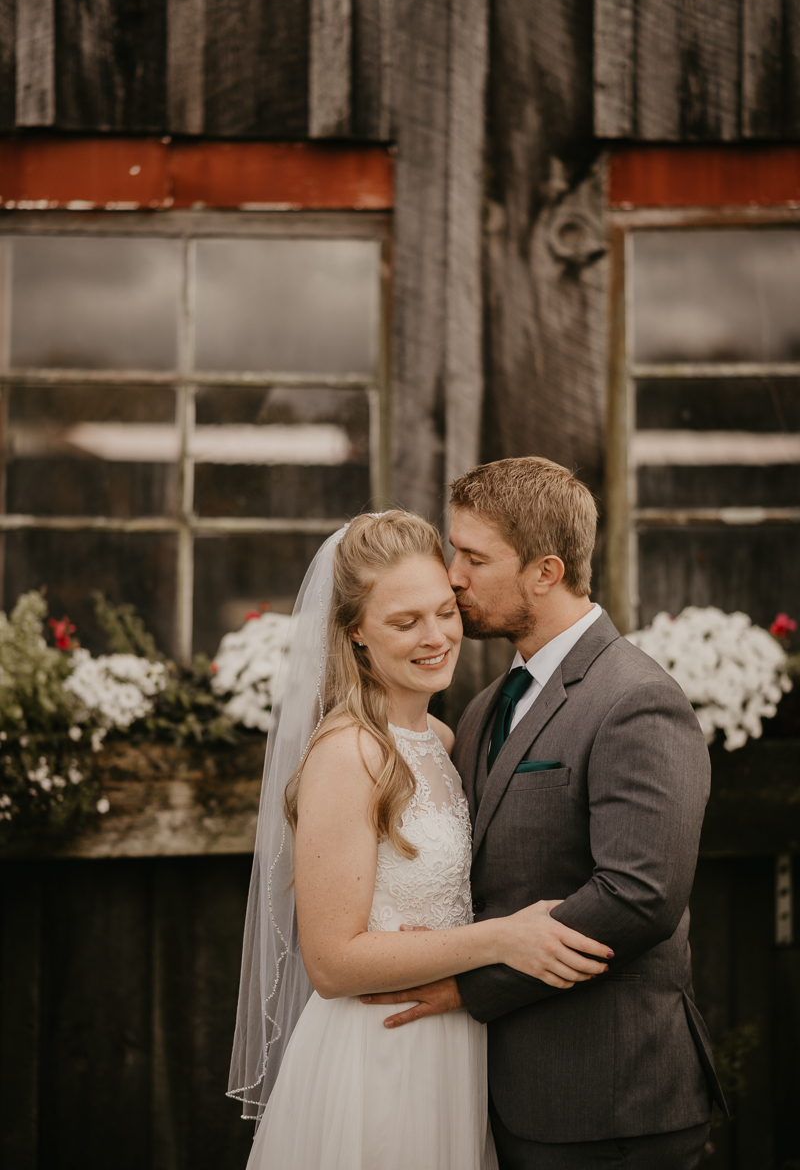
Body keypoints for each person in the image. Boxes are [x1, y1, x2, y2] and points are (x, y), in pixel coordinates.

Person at [361, 458, 726, 1170]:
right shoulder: (482, 705)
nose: (453, 575)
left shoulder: (636, 699)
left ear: (546, 572)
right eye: (452, 551)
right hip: (499, 1094)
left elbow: (640, 895)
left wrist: (471, 985)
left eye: (473, 557)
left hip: (610, 1103)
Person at [228, 510, 613, 1170]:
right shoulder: (349, 754)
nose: (436, 637)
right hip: (377, 1052)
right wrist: (502, 938)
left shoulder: (443, 742)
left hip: (453, 1045)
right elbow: (331, 962)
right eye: (405, 623)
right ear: (355, 632)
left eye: (444, 612)